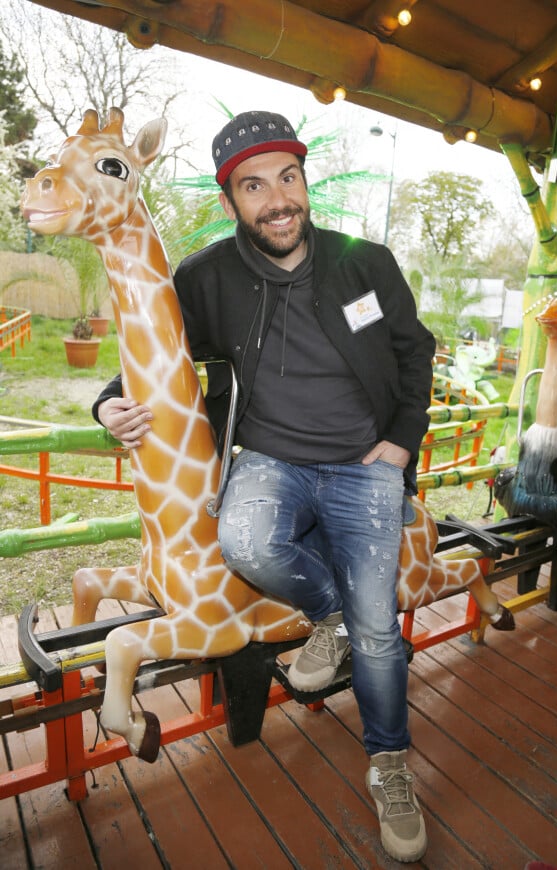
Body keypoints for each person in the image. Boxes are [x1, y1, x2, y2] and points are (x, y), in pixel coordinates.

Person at [93, 110, 436, 863]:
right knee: (244, 540)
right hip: (270, 459)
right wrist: (107, 400)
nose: (277, 200)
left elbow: (415, 351)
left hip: (363, 464)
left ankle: (390, 764)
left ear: (304, 182)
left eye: (288, 178)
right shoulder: (208, 276)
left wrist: (399, 442)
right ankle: (331, 615)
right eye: (254, 186)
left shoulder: (364, 262)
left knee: (380, 630)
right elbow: (161, 349)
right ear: (231, 201)